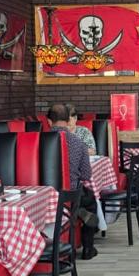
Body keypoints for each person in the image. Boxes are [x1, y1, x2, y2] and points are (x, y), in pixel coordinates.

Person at [48, 104, 100, 259]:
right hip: (71, 195)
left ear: (49, 121)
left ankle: (76, 211)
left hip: (45, 195)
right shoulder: (78, 143)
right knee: (90, 200)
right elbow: (86, 174)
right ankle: (88, 249)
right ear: (68, 120)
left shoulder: (38, 140)